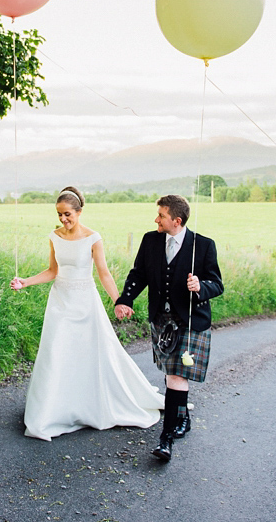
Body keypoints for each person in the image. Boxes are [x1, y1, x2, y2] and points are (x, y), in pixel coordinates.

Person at [11, 186, 163, 441]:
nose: (63, 219)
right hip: (60, 301)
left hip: (86, 301)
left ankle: (89, 404)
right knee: (57, 351)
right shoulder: (54, 236)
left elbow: (103, 273)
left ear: (79, 212)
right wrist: (25, 282)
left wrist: (119, 300)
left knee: (91, 351)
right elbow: (52, 271)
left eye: (67, 214)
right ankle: (52, 410)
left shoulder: (93, 238)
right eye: (59, 214)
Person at [114, 194, 224, 462]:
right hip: (161, 320)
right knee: (169, 373)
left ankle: (166, 439)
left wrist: (200, 287)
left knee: (177, 376)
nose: (156, 219)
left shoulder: (203, 245)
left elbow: (217, 284)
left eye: (161, 215)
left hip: (190, 321)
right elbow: (138, 273)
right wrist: (125, 299)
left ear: (176, 220)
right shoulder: (150, 240)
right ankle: (182, 416)